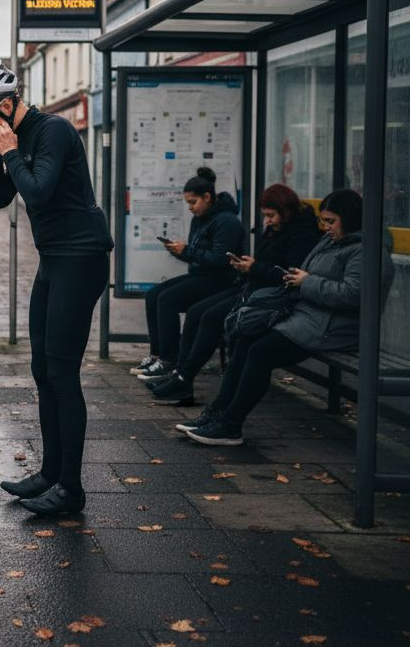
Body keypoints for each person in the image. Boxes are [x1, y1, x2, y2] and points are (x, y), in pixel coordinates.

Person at [0, 60, 114, 517]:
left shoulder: (55, 131)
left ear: (6, 105)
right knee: (42, 368)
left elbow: (39, 193)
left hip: (81, 259)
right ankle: (49, 473)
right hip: (54, 259)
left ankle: (72, 488)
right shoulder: (15, 138)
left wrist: (8, 153)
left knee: (63, 372)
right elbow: (5, 198)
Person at [183, 189, 387, 445]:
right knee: (247, 340)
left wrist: (307, 282)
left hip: (333, 327)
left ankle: (230, 424)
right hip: (309, 317)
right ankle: (216, 414)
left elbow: (352, 295)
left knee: (260, 352)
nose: (325, 227)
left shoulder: (364, 251)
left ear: (350, 219)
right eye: (325, 220)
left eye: (331, 221)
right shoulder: (333, 241)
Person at [147, 183, 323, 404]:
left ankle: (184, 377)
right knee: (196, 312)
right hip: (252, 288)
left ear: (286, 211)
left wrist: (254, 267)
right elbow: (265, 262)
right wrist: (248, 266)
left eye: (271, 216)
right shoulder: (276, 228)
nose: (267, 221)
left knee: (210, 317)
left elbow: (290, 274)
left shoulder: (300, 234)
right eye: (265, 216)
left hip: (271, 297)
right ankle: (180, 375)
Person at [133, 167, 244, 381]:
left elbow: (220, 260)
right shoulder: (200, 219)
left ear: (207, 197)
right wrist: (180, 252)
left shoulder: (226, 221)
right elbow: (197, 255)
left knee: (167, 299)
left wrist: (188, 251)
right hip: (201, 276)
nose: (190, 208)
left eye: (193, 202)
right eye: (188, 203)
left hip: (222, 281)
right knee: (153, 295)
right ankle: (156, 354)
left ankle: (169, 359)